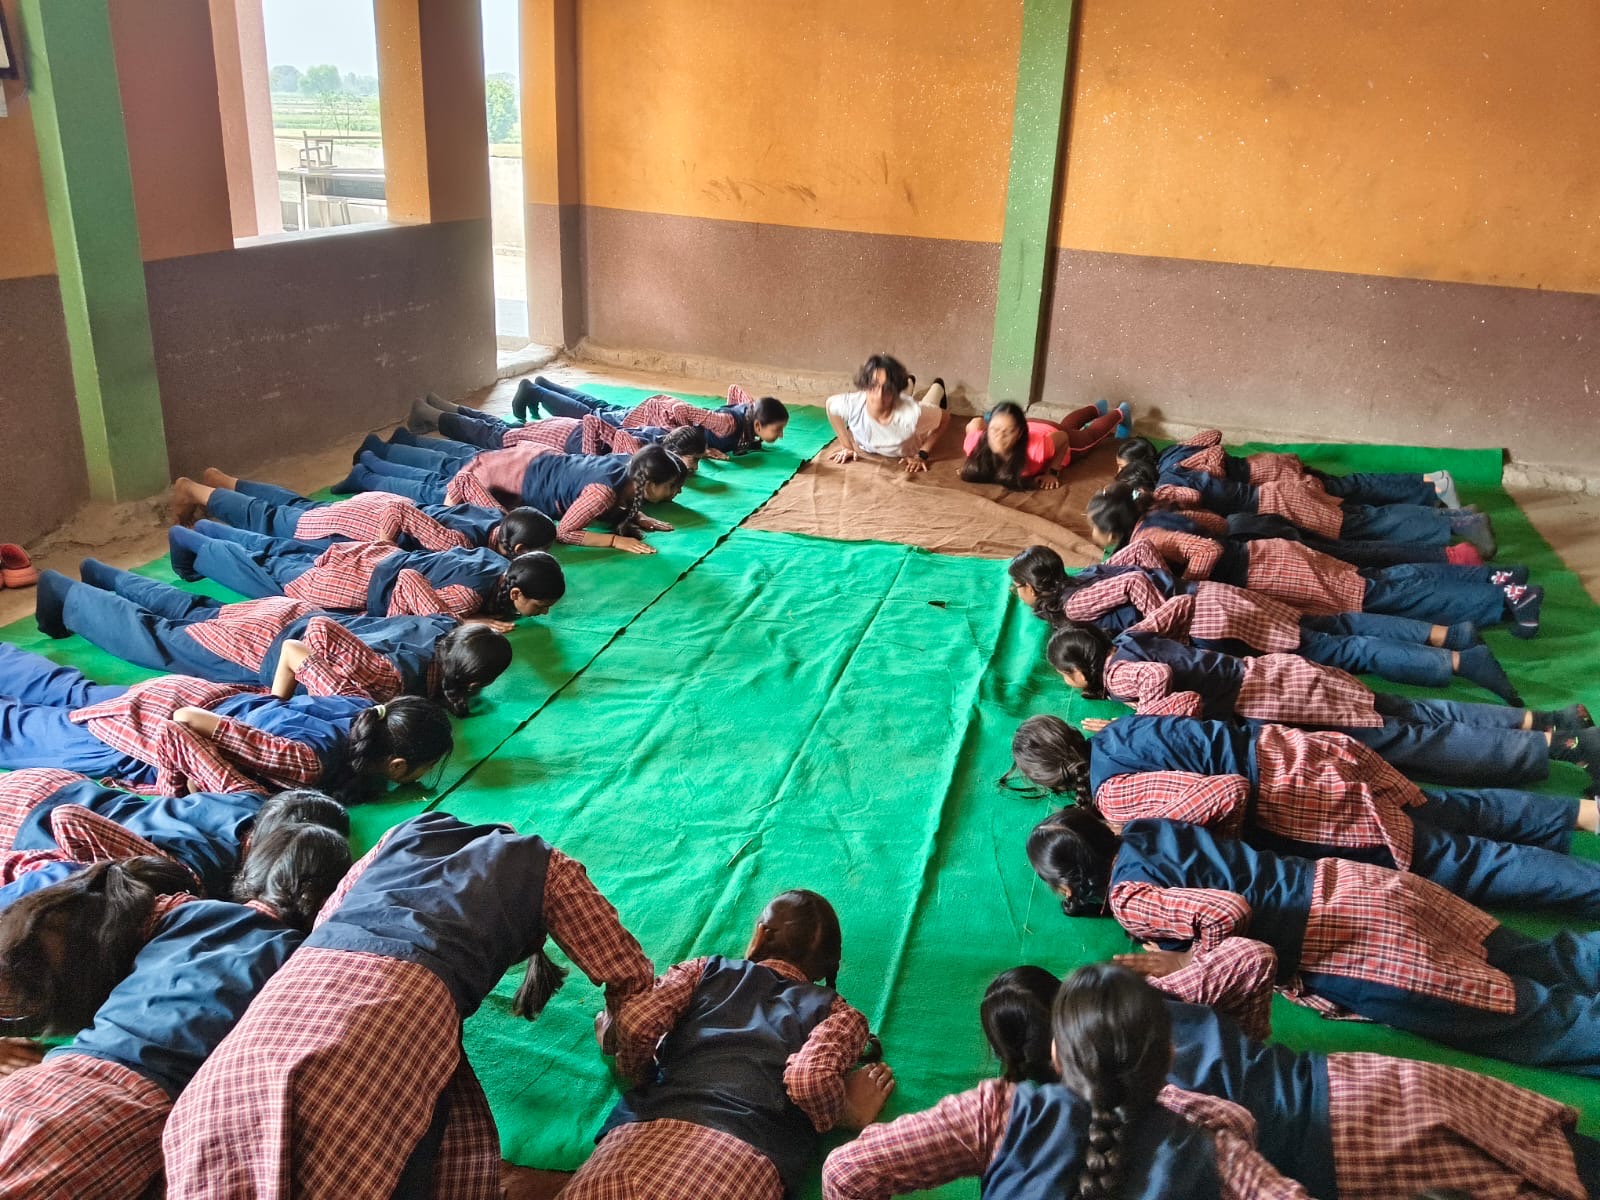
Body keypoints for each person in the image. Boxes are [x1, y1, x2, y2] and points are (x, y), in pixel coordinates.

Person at [162, 811, 656, 1199]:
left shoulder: (403, 832)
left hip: (284, 1003)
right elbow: (631, 977)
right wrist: (622, 1044)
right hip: (389, 1015)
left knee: (215, 1160)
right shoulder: (545, 866)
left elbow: (328, 920)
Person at [1034, 810, 1600, 1078]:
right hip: (1352, 883)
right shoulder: (1140, 826)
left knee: (1532, 1019)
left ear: (1070, 882)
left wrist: (1185, 957)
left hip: (1350, 947)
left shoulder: (1130, 896)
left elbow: (1228, 911)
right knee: (1547, 958)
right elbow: (1224, 801)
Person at [981, 956, 1600, 1200]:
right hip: (1358, 1077)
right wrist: (1246, 1033)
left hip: (1344, 1148)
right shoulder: (1146, 1001)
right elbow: (1250, 961)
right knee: (1534, 1141)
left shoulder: (1103, 1120)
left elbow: (1225, 1135)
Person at [0, 831, 350, 1200]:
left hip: (54, 1074)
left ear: (248, 871)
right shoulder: (301, 960)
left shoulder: (184, 911)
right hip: (124, 1107)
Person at [1011, 714, 1600, 913]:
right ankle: (1582, 814)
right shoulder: (1117, 727)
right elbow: (1187, 709)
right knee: (1448, 808)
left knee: (1456, 859)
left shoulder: (1114, 797)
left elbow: (1224, 794)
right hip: (1292, 747)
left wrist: (1221, 848)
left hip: (1297, 798)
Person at [820, 961, 1312, 1199]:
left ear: (1057, 1053)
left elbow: (845, 1172)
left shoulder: (995, 1114)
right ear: (1167, 1055)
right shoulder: (1221, 1150)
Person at [565, 889, 895, 1200]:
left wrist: (638, 1071)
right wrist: (846, 1112)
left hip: (633, 1150)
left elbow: (636, 1024)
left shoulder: (702, 970)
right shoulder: (841, 1015)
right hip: (738, 1166)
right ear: (827, 965)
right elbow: (810, 1081)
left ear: (762, 934)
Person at [1044, 624, 1596, 782]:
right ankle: (1550, 720)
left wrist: (1144, 712)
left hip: (1283, 704)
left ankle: (1569, 746)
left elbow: (1172, 686)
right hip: (1279, 673)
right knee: (1415, 713)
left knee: (1422, 742)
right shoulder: (1129, 638)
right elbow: (1173, 621)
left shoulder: (1120, 676)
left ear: (1076, 671)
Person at [1007, 546, 1522, 699]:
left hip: (1210, 620)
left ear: (1038, 585)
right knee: (1337, 628)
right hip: (1212, 599)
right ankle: (1449, 636)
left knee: (1343, 651)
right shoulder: (1087, 572)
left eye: (1019, 584)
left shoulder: (1074, 607)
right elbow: (1141, 554)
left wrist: (1159, 624)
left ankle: (1458, 659)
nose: (1017, 593)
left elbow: (1133, 585)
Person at [0, 644, 453, 804]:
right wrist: (211, 788)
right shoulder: (307, 762)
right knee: (19, 731)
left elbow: (295, 651)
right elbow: (184, 725)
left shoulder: (364, 707)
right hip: (149, 725)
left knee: (69, 691)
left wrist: (267, 712)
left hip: (199, 694)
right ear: (396, 765)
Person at [36, 565, 512, 715]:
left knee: (192, 610)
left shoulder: (442, 628)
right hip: (267, 643)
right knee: (158, 639)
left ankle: (105, 575)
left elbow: (408, 580)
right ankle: (66, 593)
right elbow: (316, 642)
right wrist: (276, 699)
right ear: (470, 683)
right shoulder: (391, 678)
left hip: (287, 613)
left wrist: (476, 623)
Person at [1090, 489, 1544, 636]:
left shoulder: (1147, 538)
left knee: (1386, 592)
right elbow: (1215, 526)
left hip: (1267, 571)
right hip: (1267, 554)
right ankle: (1495, 578)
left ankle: (1505, 598)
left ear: (1114, 534)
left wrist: (1186, 586)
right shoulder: (1156, 514)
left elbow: (1207, 551)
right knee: (1380, 579)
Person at [0, 768, 347, 903]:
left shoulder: (250, 799)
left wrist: (165, 796)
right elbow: (68, 820)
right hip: (22, 818)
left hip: (64, 783)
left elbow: (175, 746)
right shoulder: (185, 875)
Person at [167, 520, 564, 621]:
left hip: (371, 557)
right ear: (515, 593)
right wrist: (463, 621)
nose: (544, 613)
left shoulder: (498, 563)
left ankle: (208, 528)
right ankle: (190, 541)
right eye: (541, 605)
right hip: (353, 584)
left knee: (280, 553)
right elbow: (414, 596)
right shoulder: (469, 597)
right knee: (262, 574)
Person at [340, 443, 689, 554]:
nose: (676, 493)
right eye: (671, 486)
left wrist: (639, 519)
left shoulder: (625, 469)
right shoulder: (602, 491)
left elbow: (621, 505)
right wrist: (615, 542)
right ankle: (366, 473)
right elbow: (566, 531)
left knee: (442, 471)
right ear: (648, 483)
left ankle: (376, 457)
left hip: (530, 463)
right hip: (507, 481)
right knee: (433, 490)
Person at [170, 468, 557, 556]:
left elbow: (461, 485)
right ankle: (196, 491)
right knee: (272, 518)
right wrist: (383, 548)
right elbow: (405, 519)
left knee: (294, 506)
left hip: (373, 507)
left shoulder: (490, 515)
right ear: (516, 550)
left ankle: (223, 479)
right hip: (368, 519)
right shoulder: (459, 541)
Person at [1118, 431, 1456, 507]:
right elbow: (1213, 437)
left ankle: (1431, 485)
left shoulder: (1171, 473)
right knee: (1347, 486)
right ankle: (1428, 485)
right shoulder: (1175, 450)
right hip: (1267, 464)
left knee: (1347, 489)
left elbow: (1209, 478)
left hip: (1270, 478)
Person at [403, 396, 713, 471]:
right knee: (492, 436)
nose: (695, 467)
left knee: (498, 430)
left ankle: (441, 405)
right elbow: (593, 422)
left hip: (568, 436)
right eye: (693, 460)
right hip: (562, 437)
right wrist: (590, 463)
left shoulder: (654, 446)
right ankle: (429, 414)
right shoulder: (636, 447)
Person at [510, 376, 788, 457]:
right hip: (659, 417)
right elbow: (684, 411)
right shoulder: (727, 424)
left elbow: (735, 389)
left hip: (657, 412)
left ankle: (544, 386)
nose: (781, 436)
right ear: (757, 424)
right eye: (777, 430)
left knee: (602, 406)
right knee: (597, 416)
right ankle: (534, 392)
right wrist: (704, 446)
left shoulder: (750, 412)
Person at [959, 400, 1129, 491]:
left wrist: (1052, 472)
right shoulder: (976, 443)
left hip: (1051, 435)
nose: (998, 437)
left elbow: (1062, 438)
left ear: (1018, 435)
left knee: (1088, 437)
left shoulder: (1035, 450)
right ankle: (1096, 408)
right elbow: (975, 423)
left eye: (1006, 432)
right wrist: (973, 462)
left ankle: (1120, 412)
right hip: (1031, 425)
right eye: (995, 430)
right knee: (1068, 425)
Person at [824, 354, 948, 474]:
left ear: (894, 390)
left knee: (928, 402)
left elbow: (946, 418)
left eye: (887, 388)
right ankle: (909, 382)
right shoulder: (851, 404)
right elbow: (830, 405)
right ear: (865, 385)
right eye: (874, 386)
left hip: (911, 435)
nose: (880, 395)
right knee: (901, 398)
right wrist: (846, 446)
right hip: (898, 400)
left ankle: (938, 386)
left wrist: (922, 454)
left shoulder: (913, 413)